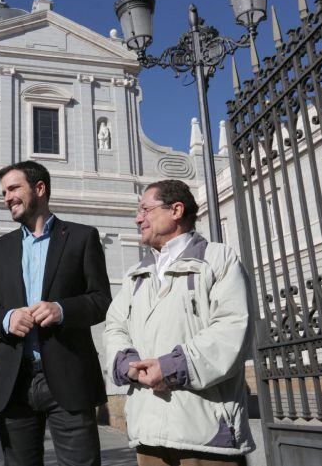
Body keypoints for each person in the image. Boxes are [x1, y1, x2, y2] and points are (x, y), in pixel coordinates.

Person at [103, 180, 254, 466]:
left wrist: (170, 367)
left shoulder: (218, 260)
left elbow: (232, 329)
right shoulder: (136, 275)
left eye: (145, 210)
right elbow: (115, 327)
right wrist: (127, 364)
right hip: (148, 433)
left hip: (205, 434)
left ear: (176, 210)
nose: (138, 219)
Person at [0, 160, 111, 466]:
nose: (7, 198)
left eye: (13, 188)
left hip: (70, 379)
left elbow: (101, 300)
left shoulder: (82, 237)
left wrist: (62, 309)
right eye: (4, 192)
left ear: (39, 188)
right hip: (15, 383)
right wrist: (8, 319)